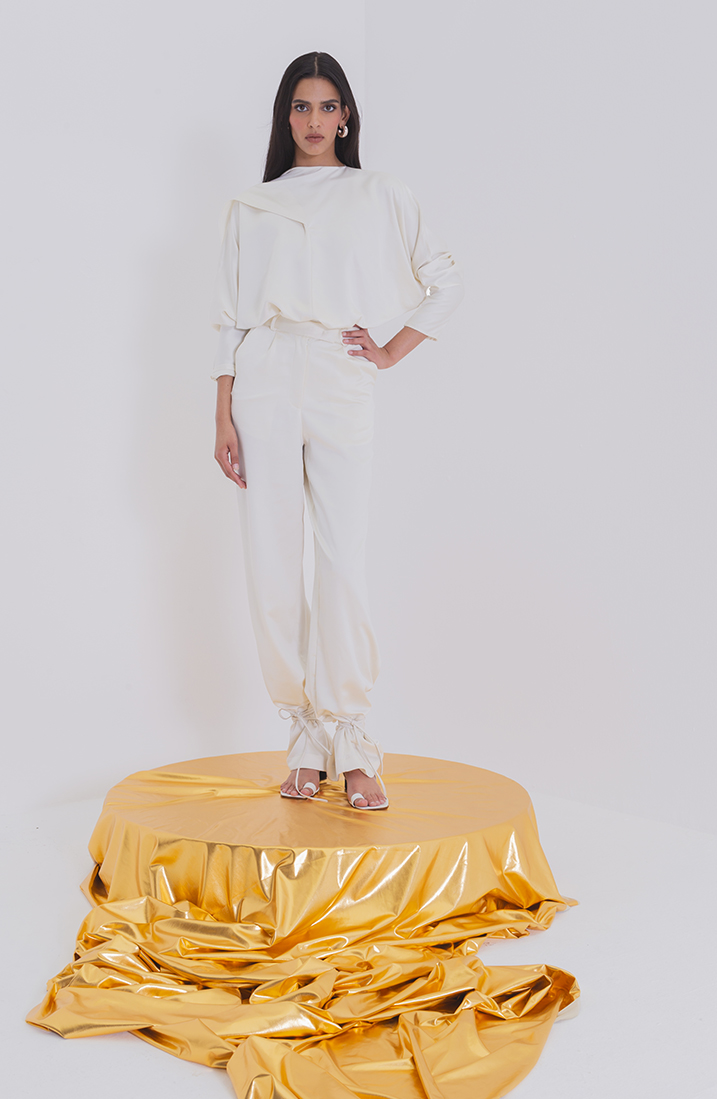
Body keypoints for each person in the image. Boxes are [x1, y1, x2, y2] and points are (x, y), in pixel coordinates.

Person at [211, 52, 463, 811]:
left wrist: (390, 350)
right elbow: (228, 313)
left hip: (339, 374)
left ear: (347, 116)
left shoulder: (379, 192)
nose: (314, 121)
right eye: (301, 106)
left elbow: (444, 279)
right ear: (284, 116)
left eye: (327, 107)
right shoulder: (252, 204)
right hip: (263, 375)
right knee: (270, 561)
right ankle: (303, 740)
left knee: (342, 560)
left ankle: (351, 739)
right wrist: (222, 412)